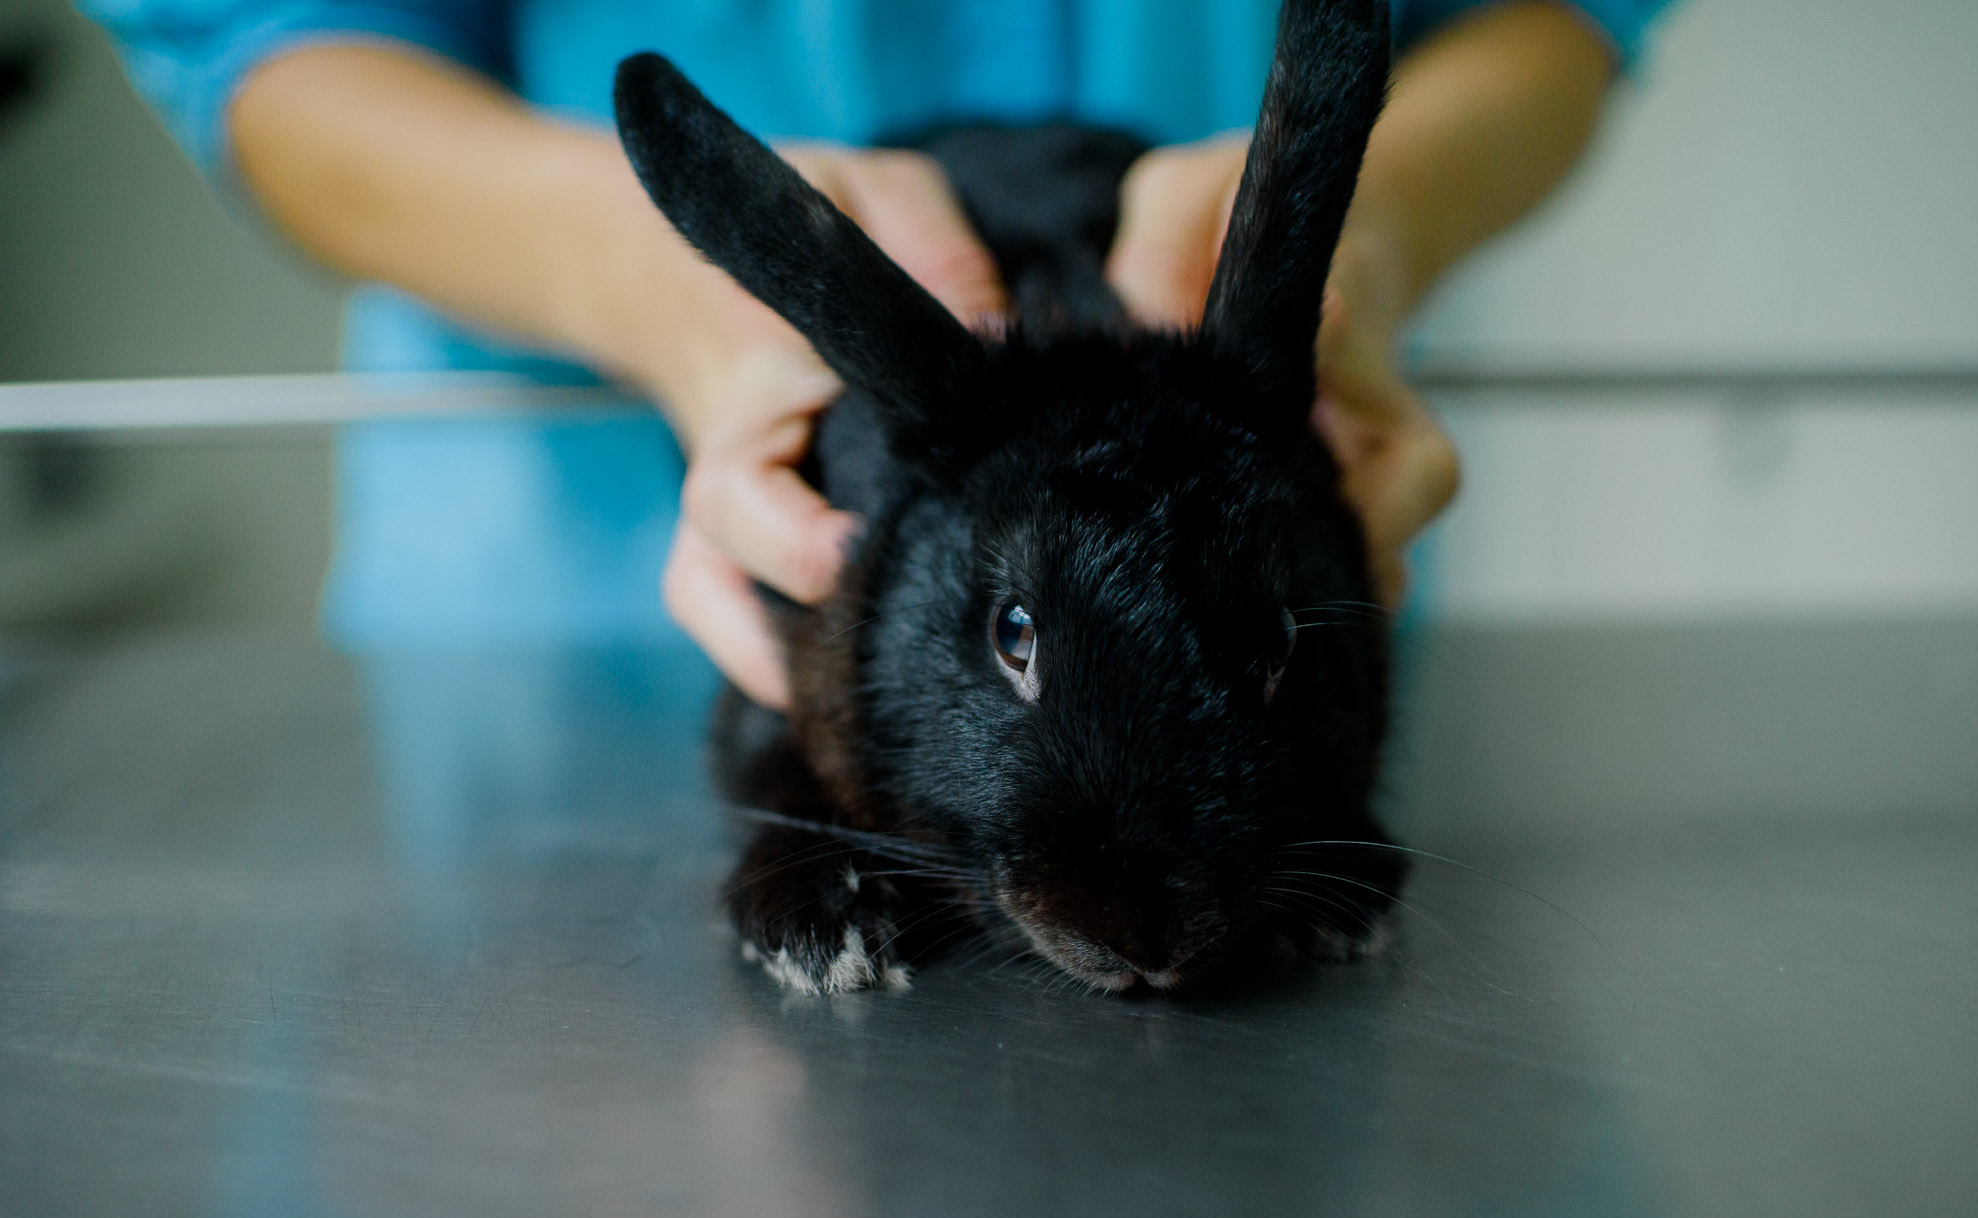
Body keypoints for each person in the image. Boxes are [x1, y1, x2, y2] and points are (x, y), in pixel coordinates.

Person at [87, 0, 1668, 708]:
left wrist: (1363, 228)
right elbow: (258, 42)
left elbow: (1556, 13)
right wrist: (659, 275)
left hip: (1256, 534)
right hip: (556, 588)